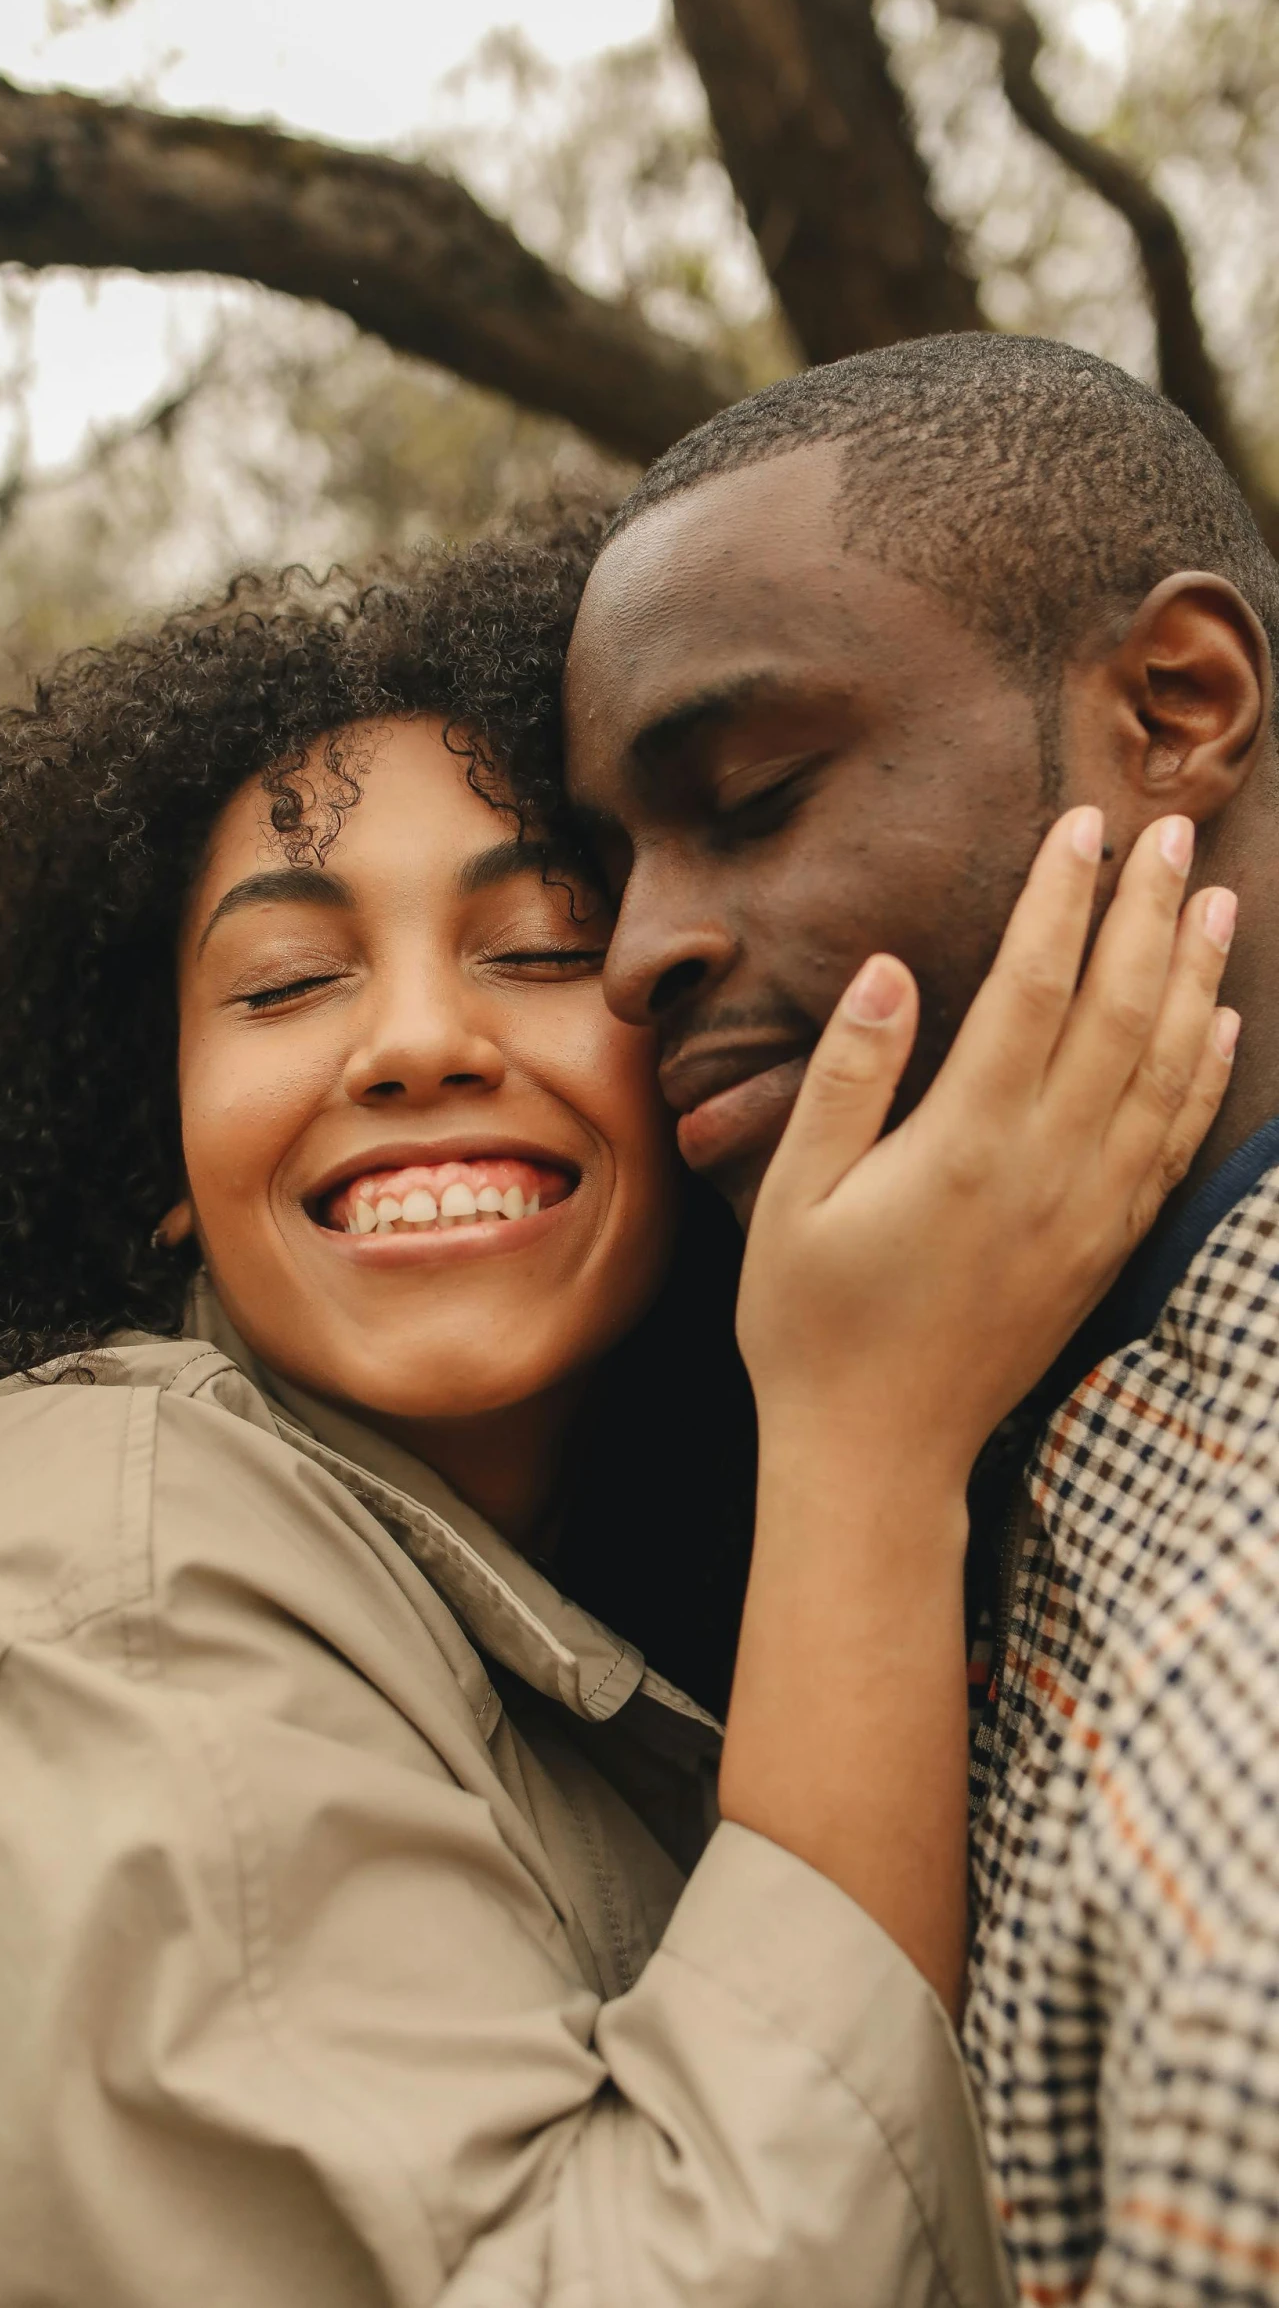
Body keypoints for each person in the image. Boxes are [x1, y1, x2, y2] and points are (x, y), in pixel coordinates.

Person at [0, 522, 1226, 2308]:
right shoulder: (95, 1590)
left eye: (532, 950)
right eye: (285, 984)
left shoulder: (548, 1598)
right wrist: (868, 1445)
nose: (415, 1039)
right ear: (161, 1158)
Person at [559, 330, 1279, 2308]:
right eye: (611, 865)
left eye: (753, 794)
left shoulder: (1237, 1833)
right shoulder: (1033, 1420)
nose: (633, 958)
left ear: (1178, 705)